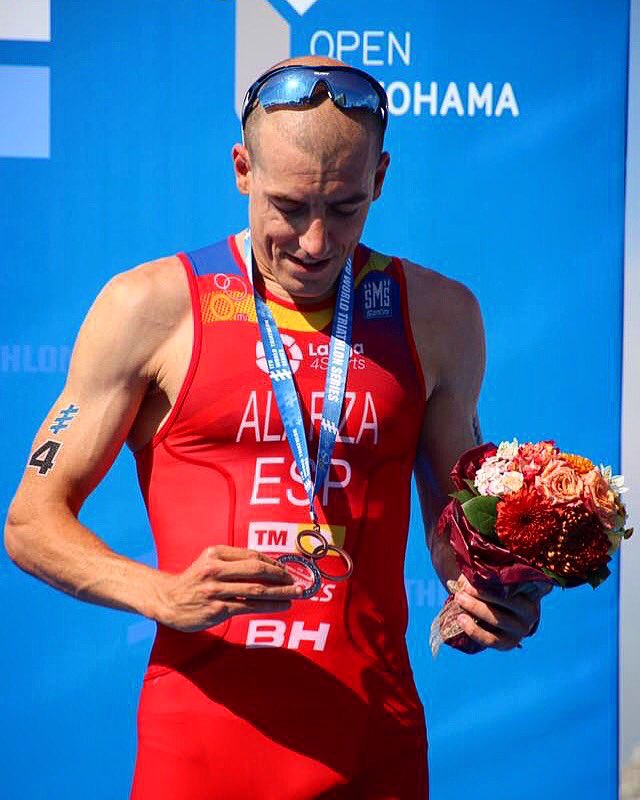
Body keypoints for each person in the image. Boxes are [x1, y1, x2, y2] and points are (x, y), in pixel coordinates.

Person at [4, 56, 543, 799]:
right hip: (200, 746)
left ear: (380, 178)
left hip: (372, 744)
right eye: (289, 208)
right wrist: (158, 593)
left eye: (346, 207)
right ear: (241, 170)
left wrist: (491, 589)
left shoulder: (440, 316)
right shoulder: (150, 307)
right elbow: (30, 521)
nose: (317, 242)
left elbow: (457, 529)